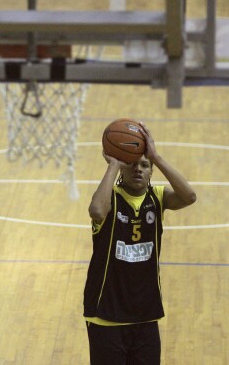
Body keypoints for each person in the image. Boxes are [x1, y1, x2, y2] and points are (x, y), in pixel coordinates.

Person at [83, 121, 197, 365]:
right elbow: (96, 211)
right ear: (123, 170)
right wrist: (114, 164)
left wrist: (156, 156)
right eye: (132, 165)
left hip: (145, 315)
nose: (138, 170)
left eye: (145, 166)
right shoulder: (110, 197)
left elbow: (189, 196)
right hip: (106, 314)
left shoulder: (157, 197)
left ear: (151, 171)